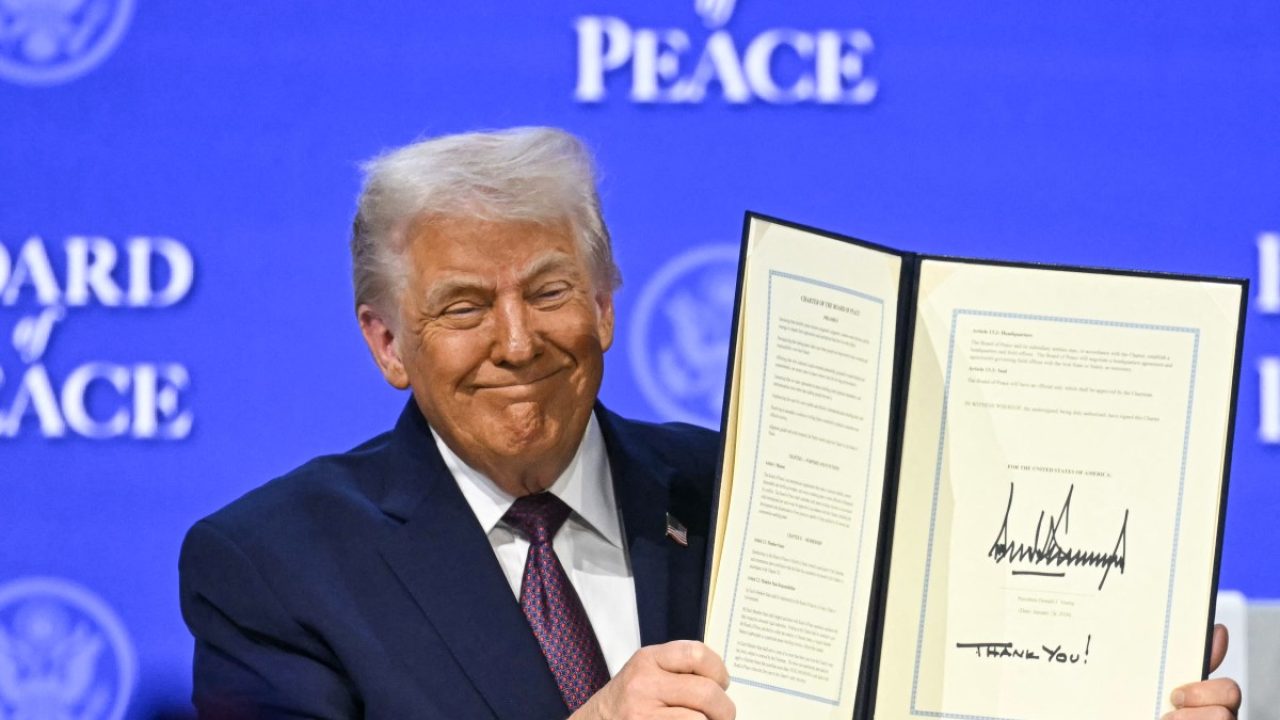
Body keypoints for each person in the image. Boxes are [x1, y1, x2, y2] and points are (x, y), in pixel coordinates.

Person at [179, 127, 1242, 719]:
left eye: (549, 291)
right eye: (462, 306)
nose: (515, 341)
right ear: (386, 343)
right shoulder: (273, 564)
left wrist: (1111, 697)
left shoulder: (757, 493)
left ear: (604, 302)